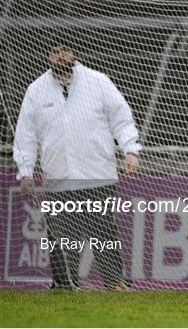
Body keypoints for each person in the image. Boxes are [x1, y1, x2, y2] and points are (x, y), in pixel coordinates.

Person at [13, 36, 141, 290]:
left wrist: (130, 150)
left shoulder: (98, 82)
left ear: (74, 53)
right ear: (49, 56)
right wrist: (25, 171)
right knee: (61, 239)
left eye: (65, 50)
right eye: (54, 51)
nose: (60, 56)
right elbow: (25, 135)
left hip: (97, 174)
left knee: (103, 234)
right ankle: (64, 284)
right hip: (58, 178)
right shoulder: (36, 91)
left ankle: (115, 283)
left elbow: (121, 118)